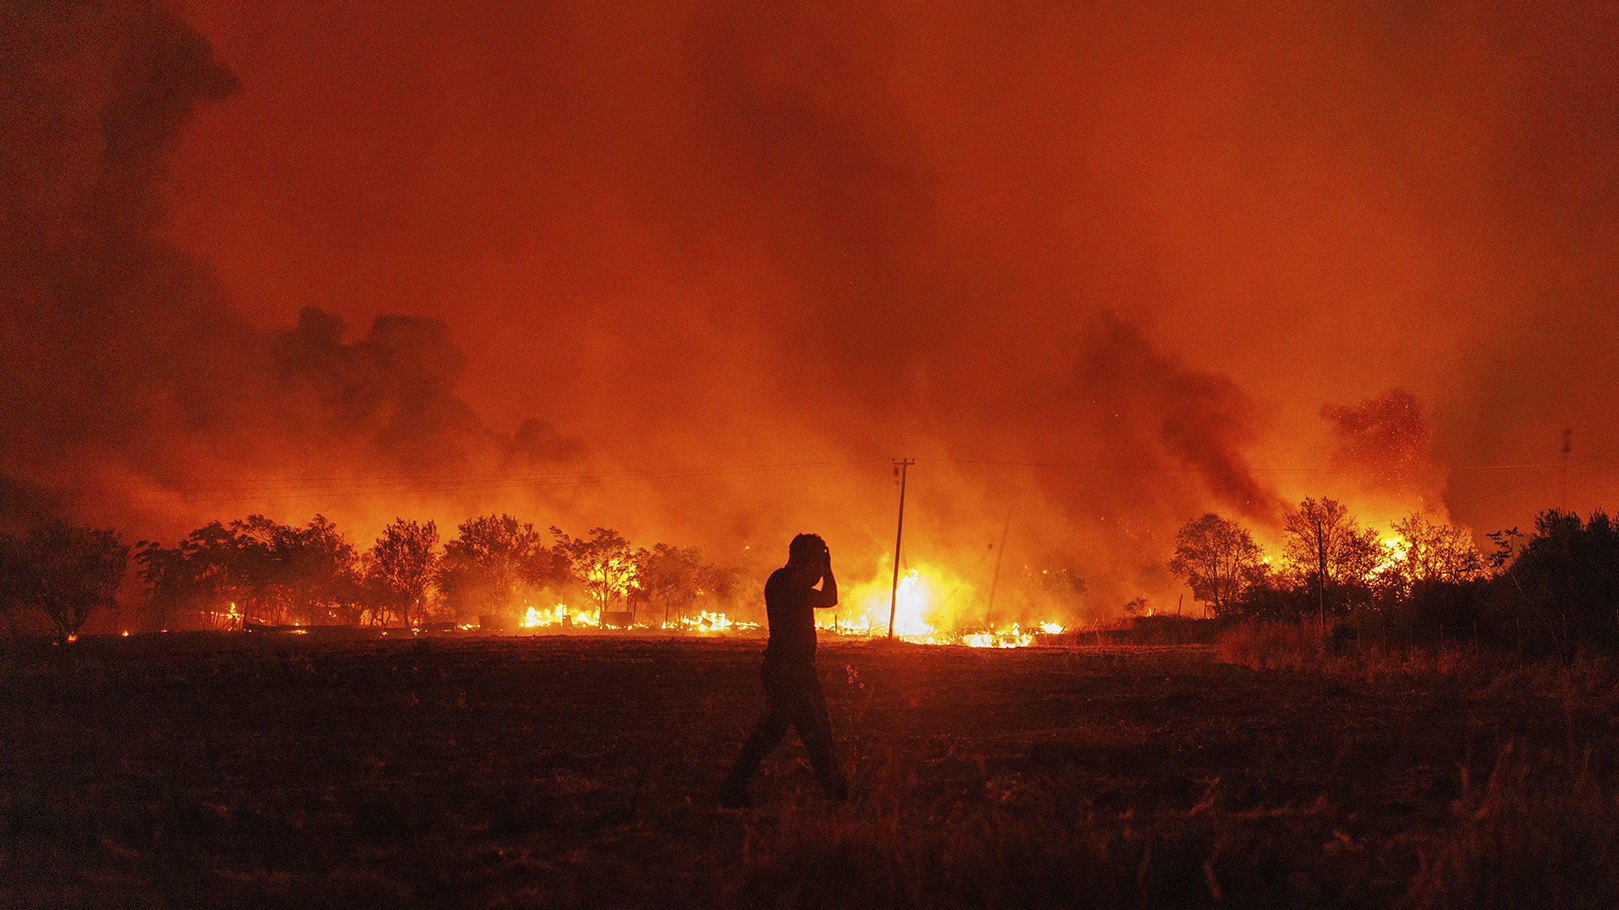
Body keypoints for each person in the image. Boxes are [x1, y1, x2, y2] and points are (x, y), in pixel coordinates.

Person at [719, 533, 848, 808]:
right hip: (792, 672)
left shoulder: (784, 582)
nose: (819, 571)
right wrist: (827, 569)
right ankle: (836, 793)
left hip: (784, 669)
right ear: (804, 561)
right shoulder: (786, 581)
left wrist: (823, 567)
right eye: (816, 563)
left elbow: (826, 598)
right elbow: (829, 598)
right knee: (817, 730)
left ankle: (732, 787)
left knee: (772, 732)